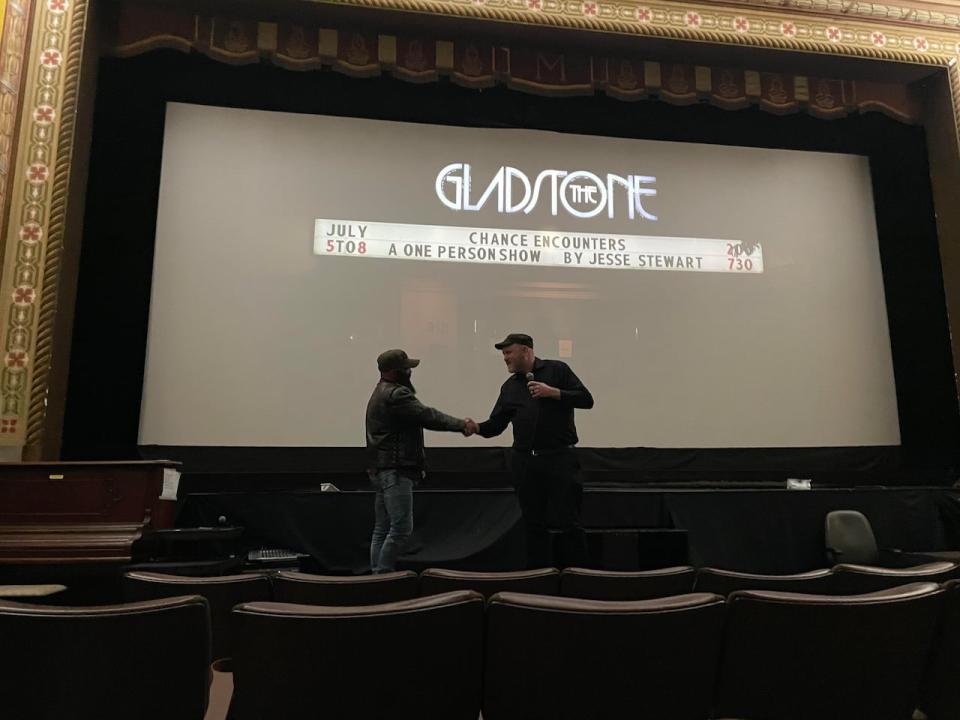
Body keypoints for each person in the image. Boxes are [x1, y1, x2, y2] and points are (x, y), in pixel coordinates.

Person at [467, 333, 594, 569]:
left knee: (569, 521)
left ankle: (579, 577)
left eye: (508, 352)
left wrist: (553, 393)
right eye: (503, 354)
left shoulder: (558, 370)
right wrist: (476, 428)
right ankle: (538, 577)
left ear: (526, 351)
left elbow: (586, 400)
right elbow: (496, 425)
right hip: (526, 462)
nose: (505, 358)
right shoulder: (509, 387)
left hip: (560, 458)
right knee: (533, 523)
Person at [366, 348, 473, 573]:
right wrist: (462, 425)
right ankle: (383, 576)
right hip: (396, 470)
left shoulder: (379, 392)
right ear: (395, 372)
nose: (410, 372)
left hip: (382, 469)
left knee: (382, 529)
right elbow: (428, 416)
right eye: (406, 368)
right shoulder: (396, 395)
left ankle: (376, 576)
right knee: (401, 528)